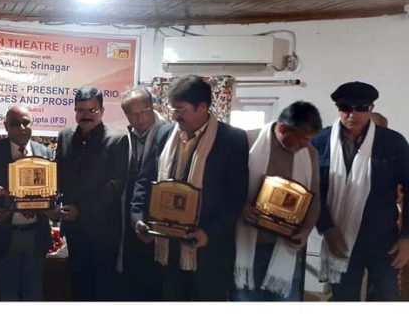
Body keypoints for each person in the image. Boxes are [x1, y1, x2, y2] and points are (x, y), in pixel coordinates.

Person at [132, 75, 249, 301]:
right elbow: (144, 180)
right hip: (167, 249)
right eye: (172, 109)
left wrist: (208, 233)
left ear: (203, 107)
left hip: (207, 252)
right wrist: (138, 217)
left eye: (181, 110)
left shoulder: (232, 139)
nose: (175, 115)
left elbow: (236, 197)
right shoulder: (165, 133)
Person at [312, 81, 409, 301]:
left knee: (386, 298)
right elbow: (313, 192)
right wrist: (327, 228)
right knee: (344, 300)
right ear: (338, 108)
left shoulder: (392, 143)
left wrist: (407, 238)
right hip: (339, 237)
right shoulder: (321, 142)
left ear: (371, 108)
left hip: (383, 240)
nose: (352, 114)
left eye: (361, 108)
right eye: (346, 107)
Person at [233, 101, 323, 301]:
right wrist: (241, 206)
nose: (306, 145)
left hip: (285, 245)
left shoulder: (309, 153)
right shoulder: (247, 141)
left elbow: (314, 196)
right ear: (284, 128)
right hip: (248, 242)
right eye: (303, 139)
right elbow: (225, 184)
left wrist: (306, 230)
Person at [0, 104, 52, 301]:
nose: (21, 128)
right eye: (15, 124)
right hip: (5, 235)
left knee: (34, 295)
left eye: (25, 122)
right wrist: (2, 209)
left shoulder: (45, 153)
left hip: (36, 235)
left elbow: (52, 193)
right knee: (7, 295)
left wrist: (42, 207)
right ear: (6, 126)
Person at [56, 86, 128, 301]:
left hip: (103, 231)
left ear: (102, 111)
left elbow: (115, 185)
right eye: (81, 110)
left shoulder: (117, 139)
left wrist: (82, 210)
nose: (86, 115)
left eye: (92, 110)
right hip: (73, 228)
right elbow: (58, 175)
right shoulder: (65, 135)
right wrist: (53, 203)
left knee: (103, 288)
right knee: (77, 284)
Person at [117, 87, 168, 301]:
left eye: (143, 112)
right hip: (130, 221)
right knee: (131, 283)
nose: (139, 118)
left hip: (160, 222)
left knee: (156, 286)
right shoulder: (124, 137)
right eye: (132, 114)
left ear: (152, 107)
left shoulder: (170, 134)